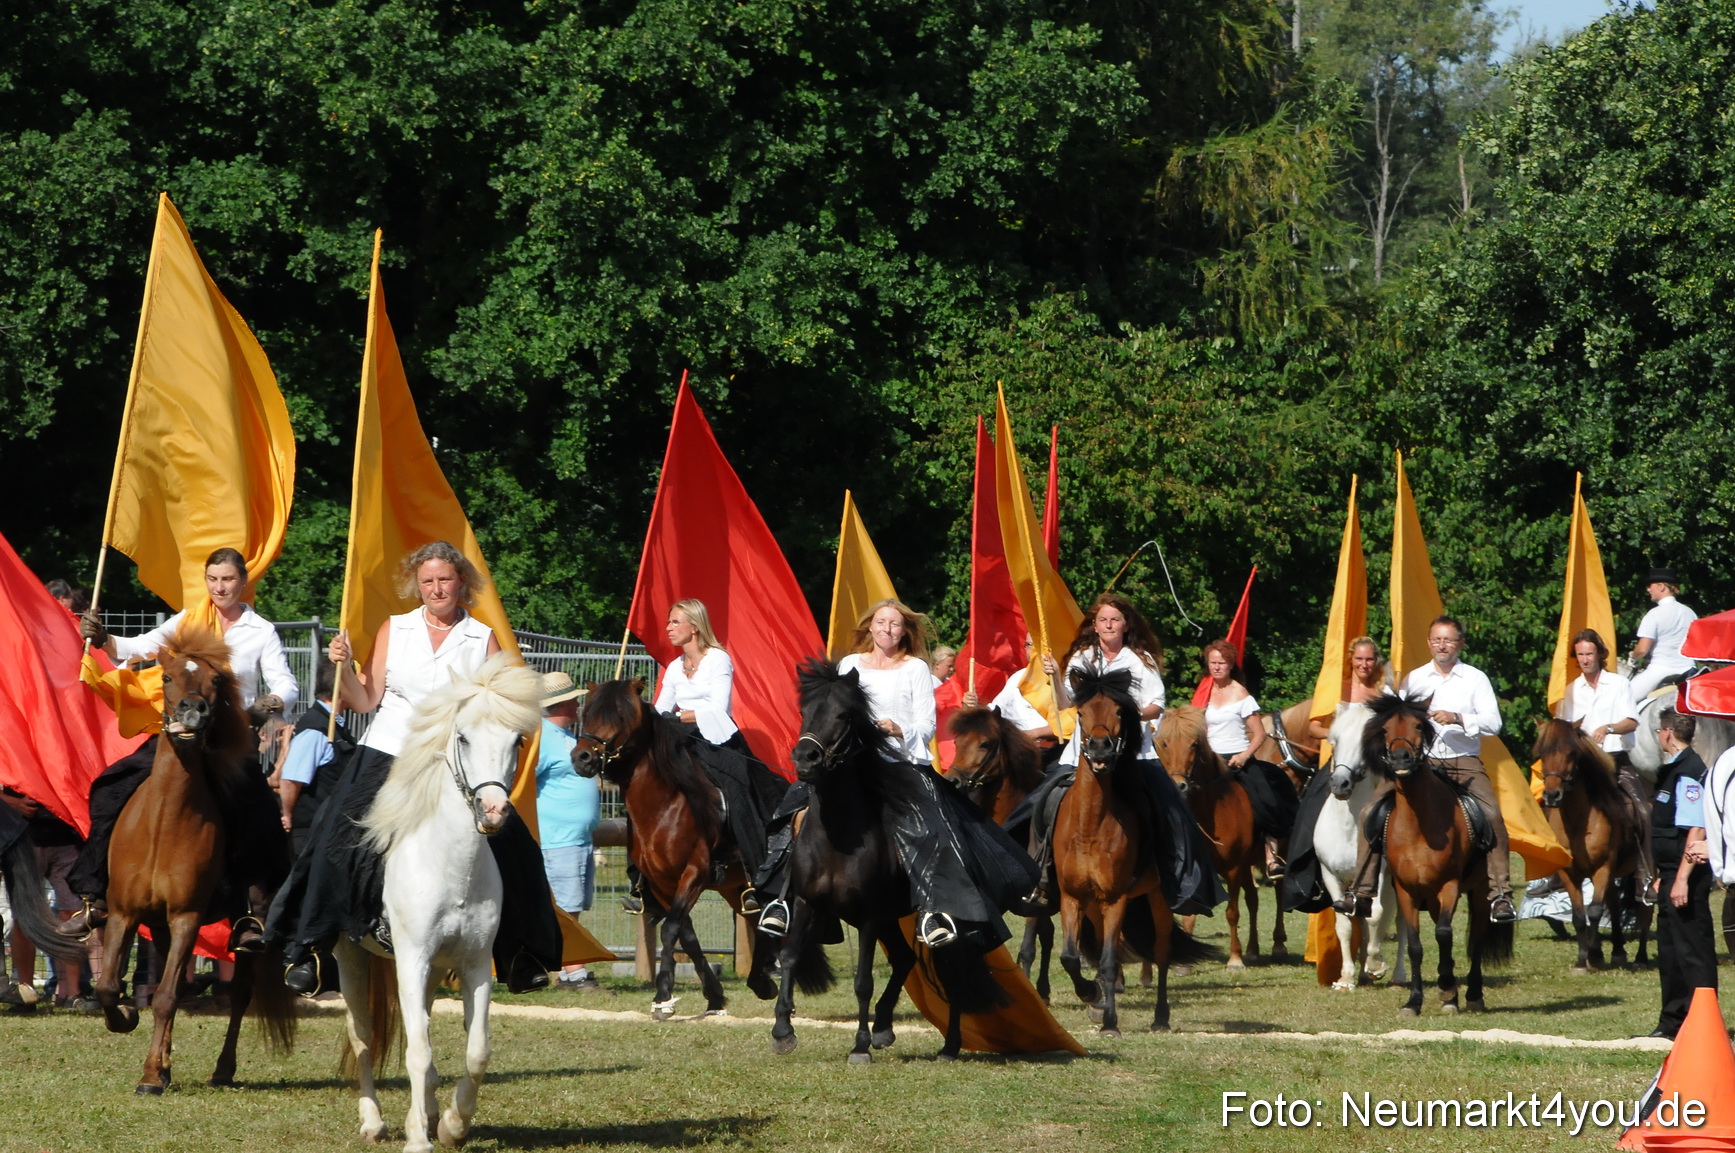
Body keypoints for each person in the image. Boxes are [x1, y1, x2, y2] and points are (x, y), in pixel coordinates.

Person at [264, 541, 559, 997]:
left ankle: (522, 954)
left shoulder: (481, 637)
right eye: (428, 581)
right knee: (332, 834)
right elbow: (367, 700)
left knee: (516, 844)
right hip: (388, 748)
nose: (437, 589)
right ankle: (312, 948)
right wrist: (343, 670)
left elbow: (496, 705)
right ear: (416, 586)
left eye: (445, 579)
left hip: (452, 759)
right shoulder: (394, 629)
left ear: (462, 582)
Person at [760, 598, 1034, 950]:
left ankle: (935, 910)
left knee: (930, 828)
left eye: (894, 624)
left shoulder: (916, 669)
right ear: (870, 627)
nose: (887, 629)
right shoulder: (848, 665)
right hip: (850, 765)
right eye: (881, 622)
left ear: (904, 631)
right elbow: (832, 714)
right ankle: (778, 896)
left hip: (899, 765)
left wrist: (899, 729)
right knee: (791, 810)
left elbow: (927, 725)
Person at [73, 547, 297, 952]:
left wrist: (272, 704)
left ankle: (250, 914)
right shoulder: (189, 619)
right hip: (179, 734)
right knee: (112, 788)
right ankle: (96, 896)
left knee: (258, 813)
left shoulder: (260, 630)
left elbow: (286, 683)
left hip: (229, 739)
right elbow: (138, 647)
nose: (219, 587)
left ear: (243, 581)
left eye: (227, 579)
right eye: (213, 579)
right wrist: (102, 636)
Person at [1023, 593, 1223, 916]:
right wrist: (1056, 677)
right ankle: (1037, 877)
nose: (1109, 624)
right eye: (1103, 619)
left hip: (1136, 755)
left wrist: (1124, 717)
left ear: (1126, 624)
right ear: (1095, 625)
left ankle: (1181, 883)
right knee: (1037, 804)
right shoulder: (1081, 658)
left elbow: (1157, 705)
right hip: (1081, 754)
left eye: (1115, 619)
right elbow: (1064, 705)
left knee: (1172, 811)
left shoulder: (1140, 661)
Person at [1337, 616, 1517, 923]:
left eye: (1448, 640)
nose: (1442, 645)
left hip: (1463, 762)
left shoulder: (1475, 678)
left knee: (1491, 815)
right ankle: (1362, 892)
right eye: (1436, 640)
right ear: (1429, 643)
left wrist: (1459, 717)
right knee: (1370, 812)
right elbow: (1395, 719)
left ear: (1460, 643)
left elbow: (1494, 723)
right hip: (1420, 764)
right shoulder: (1414, 679)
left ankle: (1500, 894)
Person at [642, 599, 781, 914]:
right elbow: (662, 707)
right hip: (680, 741)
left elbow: (718, 708)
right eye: (669, 622)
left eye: (675, 622)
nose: (669, 628)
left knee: (736, 797)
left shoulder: (718, 659)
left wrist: (677, 717)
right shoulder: (675, 667)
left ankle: (756, 879)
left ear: (694, 626)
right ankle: (643, 880)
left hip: (718, 741)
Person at [1282, 637, 1391, 914]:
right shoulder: (1337, 689)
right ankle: (1308, 876)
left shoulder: (1384, 691)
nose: (1364, 665)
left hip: (1375, 762)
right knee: (1310, 807)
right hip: (1341, 759)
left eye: (1369, 659)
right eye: (1359, 659)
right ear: (1351, 661)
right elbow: (1314, 727)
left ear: (1375, 661)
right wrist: (1341, 733)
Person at [1558, 628, 1654, 902]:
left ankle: (1646, 877)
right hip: (1583, 767)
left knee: (1642, 811)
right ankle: (1554, 874)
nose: (1586, 659)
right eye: (1581, 655)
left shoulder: (1618, 684)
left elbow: (1631, 721)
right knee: (1552, 807)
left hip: (1615, 763)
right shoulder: (1570, 690)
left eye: (1590, 653)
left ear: (1600, 654)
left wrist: (1609, 728)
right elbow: (1564, 731)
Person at [1201, 639, 1299, 877]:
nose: (1216, 667)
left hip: (1238, 759)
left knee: (1268, 801)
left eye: (1221, 663)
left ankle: (1271, 858)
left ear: (1231, 664)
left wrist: (1244, 756)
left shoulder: (1240, 693)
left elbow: (1259, 734)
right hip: (1211, 761)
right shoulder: (1204, 691)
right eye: (1212, 662)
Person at [1647, 710, 1714, 1039]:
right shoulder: (1672, 771)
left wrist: (1683, 878)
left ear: (1669, 733)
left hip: (1686, 874)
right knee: (1670, 952)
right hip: (1671, 872)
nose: (1659, 735)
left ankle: (1702, 1025)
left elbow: (1695, 829)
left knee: (1692, 951)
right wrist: (1665, 874)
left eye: (1660, 730)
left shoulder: (1688, 772)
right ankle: (1671, 1023)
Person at [535, 671, 600, 991]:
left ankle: (567, 966)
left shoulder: (570, 739)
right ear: (562, 704)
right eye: (574, 700)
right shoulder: (543, 738)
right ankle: (572, 971)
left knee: (572, 904)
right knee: (566, 905)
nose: (578, 705)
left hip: (577, 839)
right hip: (557, 838)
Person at [270, 658, 356, 857]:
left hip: (328, 830)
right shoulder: (317, 729)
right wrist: (288, 815)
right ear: (341, 688)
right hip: (311, 834)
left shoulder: (333, 725)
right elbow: (291, 778)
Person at [963, 636, 1060, 761]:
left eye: (1035, 644)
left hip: (1052, 750)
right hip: (1020, 752)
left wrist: (1035, 733)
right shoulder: (1017, 678)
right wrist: (973, 706)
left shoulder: (1059, 677)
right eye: (1028, 645)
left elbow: (1070, 721)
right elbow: (995, 711)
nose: (1031, 650)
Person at [1629, 568, 1698, 702]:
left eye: (1651, 586)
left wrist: (1633, 656)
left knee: (1621, 700)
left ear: (1661, 587)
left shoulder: (1654, 614)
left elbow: (1642, 649)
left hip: (1660, 670)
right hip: (1689, 670)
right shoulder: (1690, 613)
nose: (1648, 590)